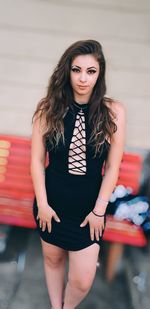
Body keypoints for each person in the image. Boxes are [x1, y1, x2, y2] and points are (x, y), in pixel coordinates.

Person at [30, 39, 126, 309]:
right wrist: (44, 204)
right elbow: (37, 161)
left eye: (91, 71)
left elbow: (113, 168)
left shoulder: (113, 112)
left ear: (100, 74)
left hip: (88, 211)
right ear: (67, 71)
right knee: (53, 260)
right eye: (76, 70)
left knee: (82, 279)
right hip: (52, 204)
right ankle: (55, 306)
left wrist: (99, 211)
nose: (83, 78)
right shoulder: (48, 109)